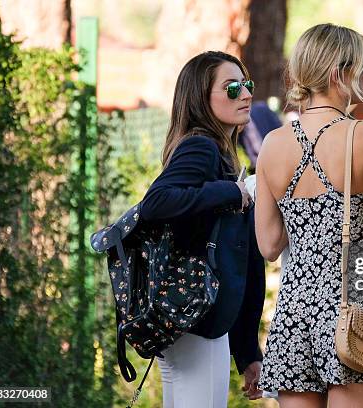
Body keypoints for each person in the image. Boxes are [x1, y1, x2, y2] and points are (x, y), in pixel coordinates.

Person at [254, 24, 363, 408]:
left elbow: (269, 246)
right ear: (339, 74)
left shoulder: (272, 145)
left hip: (295, 305)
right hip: (355, 300)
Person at [139, 51, 265, 408]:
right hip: (195, 319)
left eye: (247, 85)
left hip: (198, 319)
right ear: (200, 98)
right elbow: (156, 202)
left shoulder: (222, 155)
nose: (245, 94)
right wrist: (233, 192)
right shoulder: (201, 146)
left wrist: (247, 353)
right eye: (232, 88)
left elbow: (241, 261)